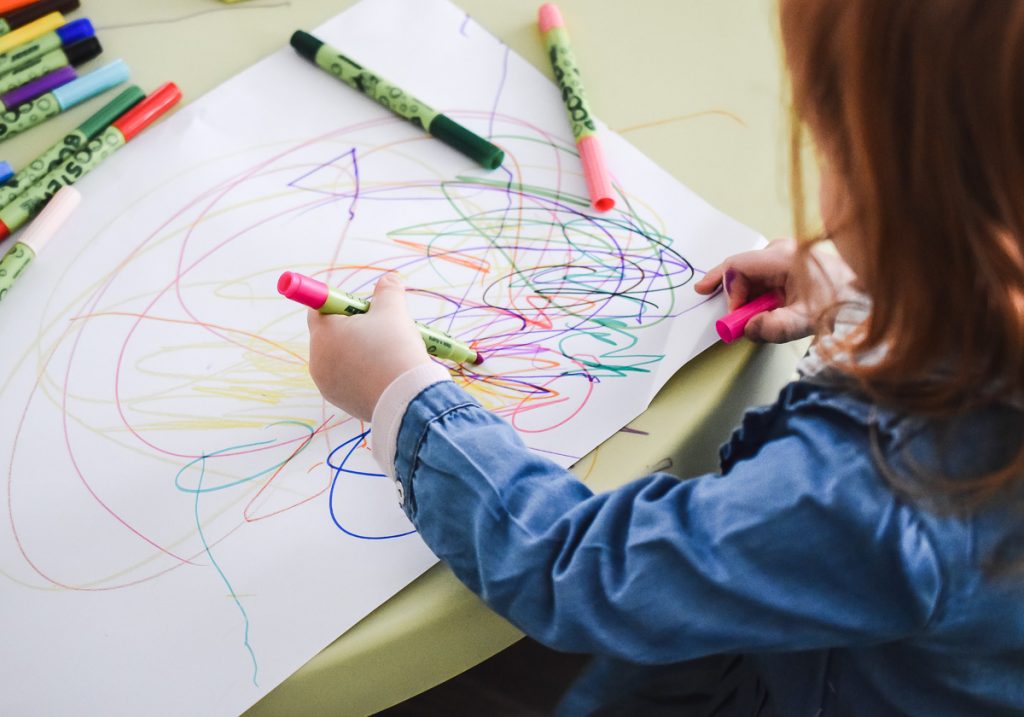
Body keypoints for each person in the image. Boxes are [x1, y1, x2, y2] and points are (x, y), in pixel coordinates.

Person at [305, 0, 1024, 714]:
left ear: (917, 200)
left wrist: (401, 397)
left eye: (829, 140)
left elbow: (587, 571)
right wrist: (877, 288)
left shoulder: (883, 491)